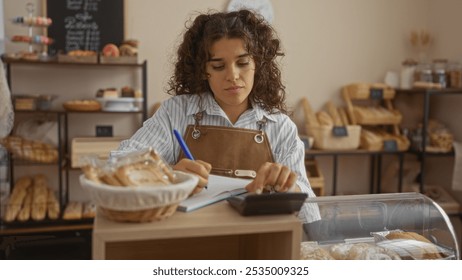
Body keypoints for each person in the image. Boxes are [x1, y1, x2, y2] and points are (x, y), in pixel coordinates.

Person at [115, 9, 320, 223]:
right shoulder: (175, 112)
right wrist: (168, 175)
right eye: (219, 66)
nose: (232, 76)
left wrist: (289, 188)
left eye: (242, 63)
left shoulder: (280, 126)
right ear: (204, 70)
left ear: (258, 64)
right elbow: (118, 162)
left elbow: (312, 218)